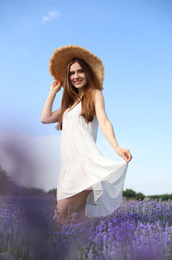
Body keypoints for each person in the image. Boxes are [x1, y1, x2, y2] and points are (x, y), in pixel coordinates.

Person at [41, 45, 132, 223]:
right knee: (75, 225)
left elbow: (104, 121)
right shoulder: (69, 105)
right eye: (71, 73)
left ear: (87, 73)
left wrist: (116, 147)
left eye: (80, 71)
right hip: (69, 167)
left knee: (58, 221)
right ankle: (84, 251)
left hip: (85, 166)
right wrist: (53, 92)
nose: (76, 76)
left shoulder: (94, 94)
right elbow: (45, 118)